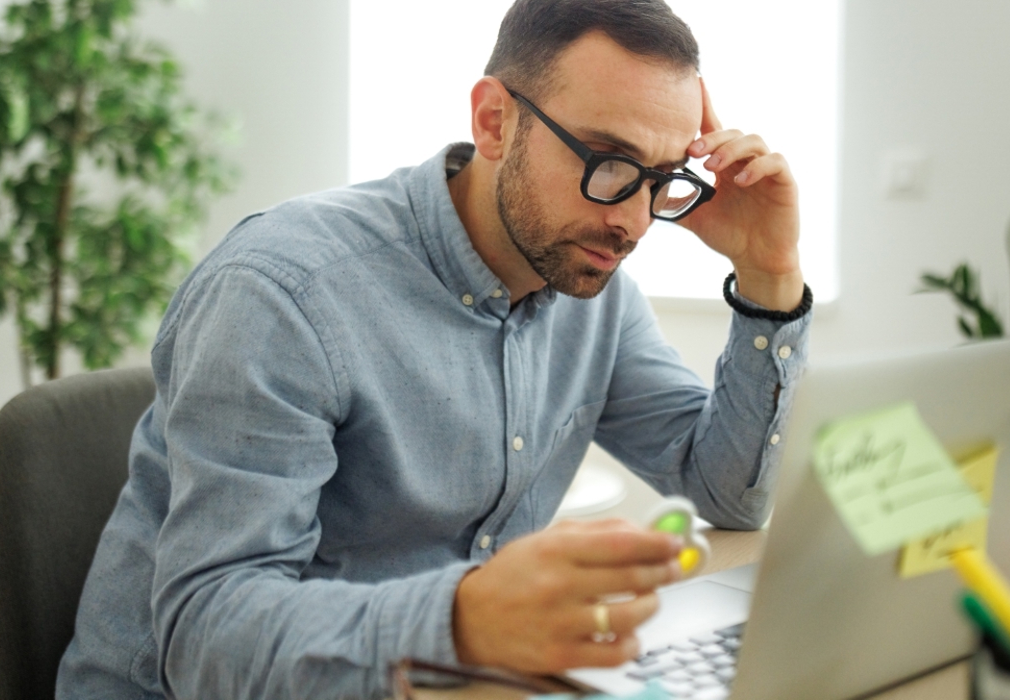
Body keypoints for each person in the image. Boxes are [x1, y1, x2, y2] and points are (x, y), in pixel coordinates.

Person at [56, 0, 811, 697]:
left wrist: (768, 273)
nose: (636, 222)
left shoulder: (594, 290)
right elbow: (205, 643)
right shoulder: (283, 293)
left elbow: (727, 495)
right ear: (493, 122)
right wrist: (462, 621)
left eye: (660, 179)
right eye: (609, 164)